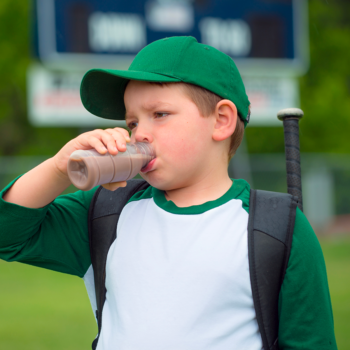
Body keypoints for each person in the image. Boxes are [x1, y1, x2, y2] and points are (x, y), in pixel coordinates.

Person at [0, 36, 337, 350]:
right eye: (132, 122)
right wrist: (60, 168)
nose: (139, 134)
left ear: (221, 120)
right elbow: (8, 233)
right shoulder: (107, 210)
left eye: (159, 114)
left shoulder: (276, 228)